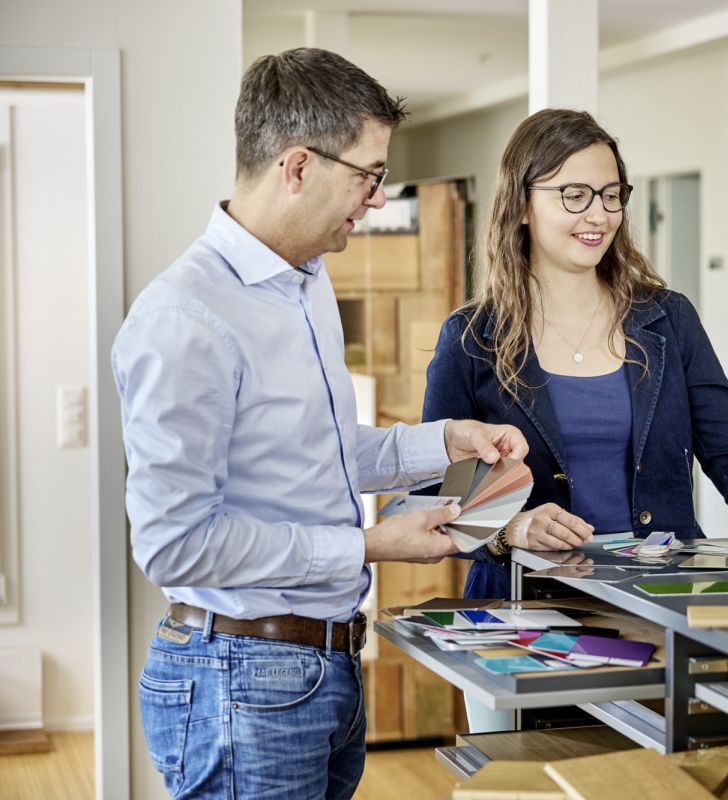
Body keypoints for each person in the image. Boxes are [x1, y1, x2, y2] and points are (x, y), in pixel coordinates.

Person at [112, 48, 527, 800]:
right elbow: (175, 542)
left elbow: (323, 453)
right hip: (241, 679)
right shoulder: (186, 318)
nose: (377, 198)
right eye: (369, 175)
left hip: (320, 668)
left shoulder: (305, 284)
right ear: (299, 166)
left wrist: (445, 441)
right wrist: (369, 545)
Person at [423, 108, 728, 607]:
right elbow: (435, 506)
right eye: (574, 195)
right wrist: (509, 531)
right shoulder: (472, 339)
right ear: (522, 205)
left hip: (660, 604)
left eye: (611, 195)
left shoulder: (668, 320)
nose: (599, 215)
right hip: (524, 609)